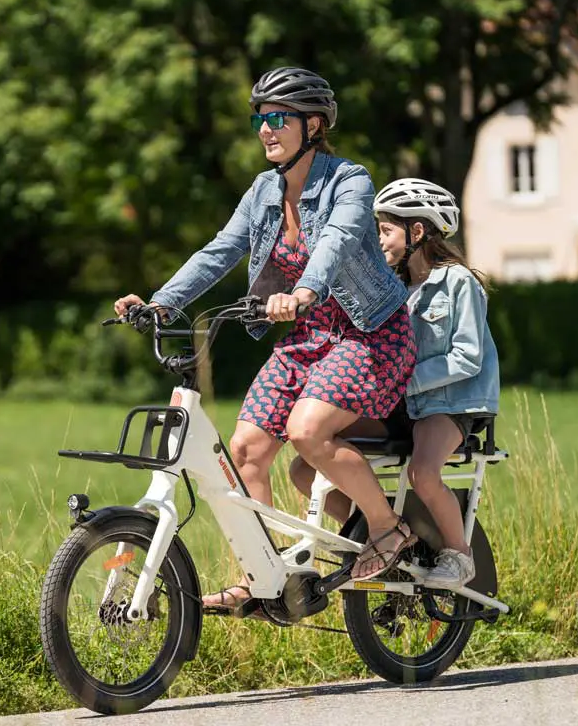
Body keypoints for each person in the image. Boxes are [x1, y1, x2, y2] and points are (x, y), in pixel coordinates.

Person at [113, 66, 418, 616]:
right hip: (307, 338)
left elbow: (338, 240)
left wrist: (302, 291)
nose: (265, 129)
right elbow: (219, 250)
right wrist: (162, 302)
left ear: (315, 124)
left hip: (370, 336)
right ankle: (264, 575)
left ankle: (388, 528)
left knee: (306, 430)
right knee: (246, 451)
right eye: (260, 119)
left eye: (278, 118)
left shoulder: (350, 180)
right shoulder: (263, 192)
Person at [288, 177, 501, 588]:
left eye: (385, 230)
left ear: (417, 232)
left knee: (424, 472)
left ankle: (459, 554)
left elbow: (467, 356)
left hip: (450, 406)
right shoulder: (395, 291)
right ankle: (374, 532)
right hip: (403, 408)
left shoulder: (458, 282)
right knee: (303, 466)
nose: (378, 239)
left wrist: (403, 381)